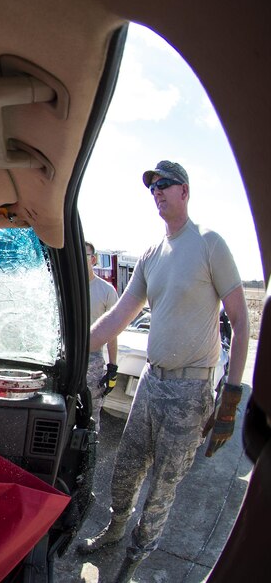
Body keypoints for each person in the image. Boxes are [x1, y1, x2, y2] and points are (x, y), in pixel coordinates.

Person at [77, 160, 250, 582]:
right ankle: (117, 530)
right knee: (125, 469)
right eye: (152, 188)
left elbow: (242, 321)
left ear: (184, 191)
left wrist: (229, 401)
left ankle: (135, 557)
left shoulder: (210, 244)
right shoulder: (152, 255)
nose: (157, 193)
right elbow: (117, 316)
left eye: (165, 185)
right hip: (152, 385)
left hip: (191, 393)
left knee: (161, 488)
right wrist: (75, 347)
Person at [85, 241, 118, 432]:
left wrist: (112, 367)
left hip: (93, 361)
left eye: (86, 255)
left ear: (94, 259)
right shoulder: (68, 289)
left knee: (92, 414)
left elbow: (112, 332)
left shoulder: (106, 291)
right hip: (68, 358)